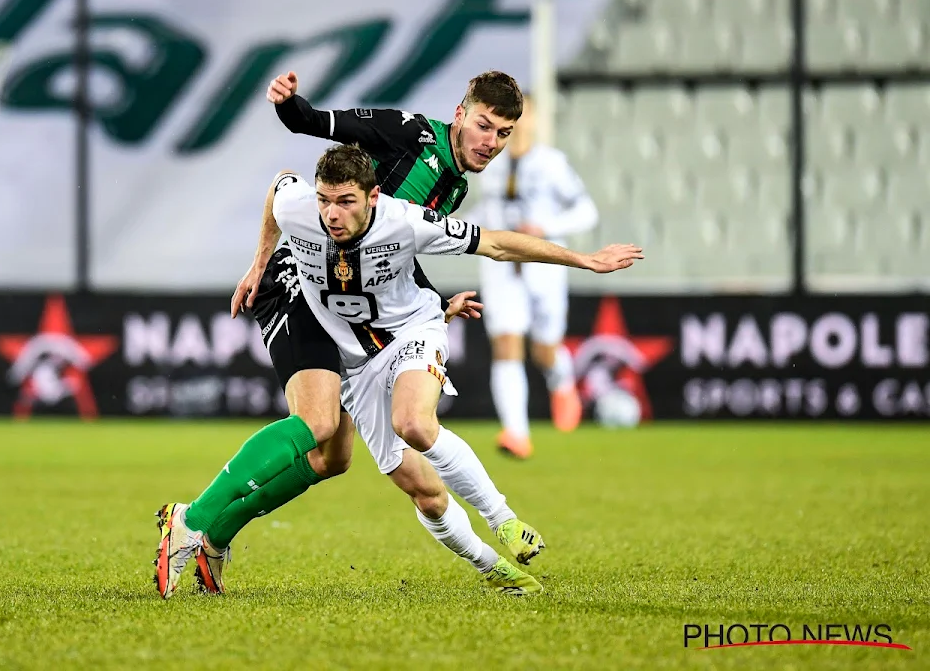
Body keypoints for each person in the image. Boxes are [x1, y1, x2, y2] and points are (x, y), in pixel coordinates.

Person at [155, 145, 642, 598]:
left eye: (345, 202)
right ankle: (492, 566)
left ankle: (504, 521)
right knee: (381, 473)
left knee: (410, 423)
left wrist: (584, 260)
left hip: (410, 334)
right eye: (325, 201)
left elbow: (496, 244)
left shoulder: (407, 222)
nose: (331, 214)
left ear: (373, 196)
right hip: (354, 354)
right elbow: (280, 184)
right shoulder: (299, 208)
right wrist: (261, 259)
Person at [162, 70, 523, 595]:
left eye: (504, 134)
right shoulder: (408, 133)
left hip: (351, 306)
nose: (491, 143)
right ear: (461, 114)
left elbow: (390, 256)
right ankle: (192, 523)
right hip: (302, 282)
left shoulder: (455, 185)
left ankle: (213, 536)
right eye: (484, 126)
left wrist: (433, 306)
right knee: (316, 419)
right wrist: (261, 259)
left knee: (334, 458)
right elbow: (311, 128)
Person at [476, 95, 598, 456]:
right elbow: (486, 207)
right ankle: (516, 433)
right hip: (501, 265)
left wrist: (545, 227)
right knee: (506, 344)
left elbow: (586, 212)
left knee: (545, 350)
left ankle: (561, 381)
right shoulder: (488, 163)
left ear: (534, 121)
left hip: (543, 267)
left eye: (523, 115)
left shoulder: (551, 164)